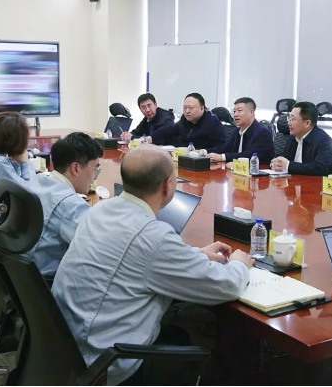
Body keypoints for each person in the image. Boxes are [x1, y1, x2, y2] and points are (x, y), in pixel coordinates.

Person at [51, 145, 253, 385]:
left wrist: (195, 254)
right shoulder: (153, 237)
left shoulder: (101, 209)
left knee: (178, 334)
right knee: (216, 367)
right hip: (105, 362)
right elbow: (226, 286)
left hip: (66, 346)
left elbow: (138, 254)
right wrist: (239, 263)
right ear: (168, 185)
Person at [24, 133, 102, 279]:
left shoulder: (37, 180)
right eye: (95, 170)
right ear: (75, 168)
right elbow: (98, 250)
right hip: (46, 281)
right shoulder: (70, 205)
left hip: (21, 274)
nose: (95, 177)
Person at [198, 97, 275, 165]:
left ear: (251, 112)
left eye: (239, 111)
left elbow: (250, 155)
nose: (235, 115)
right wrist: (204, 151)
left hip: (259, 173)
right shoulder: (237, 131)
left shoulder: (262, 132)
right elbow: (225, 148)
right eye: (234, 111)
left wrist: (222, 157)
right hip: (238, 171)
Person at [270, 101, 332, 175]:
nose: (289, 123)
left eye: (292, 119)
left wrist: (288, 165)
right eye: (289, 118)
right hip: (293, 180)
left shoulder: (324, 141)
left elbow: (320, 168)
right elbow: (283, 157)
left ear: (307, 123)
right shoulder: (292, 137)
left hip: (315, 182)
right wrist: (276, 163)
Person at [147, 93, 226, 149]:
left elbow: (221, 147)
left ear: (202, 108)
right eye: (185, 108)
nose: (187, 111)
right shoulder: (185, 120)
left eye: (191, 108)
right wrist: (151, 138)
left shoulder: (212, 122)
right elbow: (169, 130)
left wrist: (203, 152)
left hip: (206, 161)